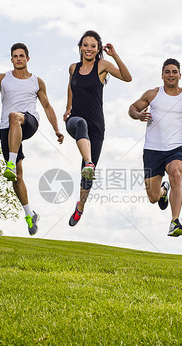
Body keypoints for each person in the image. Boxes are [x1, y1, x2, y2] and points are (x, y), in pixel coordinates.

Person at [0, 42, 64, 236]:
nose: (18, 59)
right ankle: (30, 215)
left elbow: (48, 107)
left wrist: (57, 129)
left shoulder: (37, 81)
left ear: (27, 58)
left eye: (21, 56)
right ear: (11, 59)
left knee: (14, 116)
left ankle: (9, 164)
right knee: (17, 177)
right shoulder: (3, 78)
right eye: (15, 56)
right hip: (8, 129)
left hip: (29, 121)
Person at [129, 58, 182, 237]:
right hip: (152, 149)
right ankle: (164, 191)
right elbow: (132, 108)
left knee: (177, 173)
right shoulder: (152, 94)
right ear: (162, 75)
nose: (171, 75)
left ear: (180, 75)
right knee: (153, 197)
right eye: (167, 72)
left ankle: (175, 221)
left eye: (174, 72)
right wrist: (138, 115)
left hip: (176, 148)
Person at [64, 30, 132, 226]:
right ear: (80, 47)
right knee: (80, 124)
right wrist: (68, 108)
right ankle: (88, 162)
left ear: (98, 49)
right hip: (75, 120)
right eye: (85, 45)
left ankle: (80, 207)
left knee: (86, 177)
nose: (89, 49)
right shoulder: (72, 68)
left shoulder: (102, 66)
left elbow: (127, 78)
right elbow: (70, 86)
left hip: (96, 127)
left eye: (93, 46)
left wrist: (115, 56)